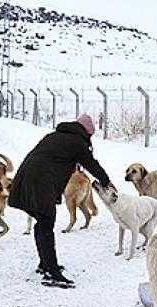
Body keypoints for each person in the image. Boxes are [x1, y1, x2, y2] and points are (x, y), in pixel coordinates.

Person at [9, 113, 112, 286]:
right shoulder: (77, 143)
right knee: (46, 222)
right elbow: (91, 164)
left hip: (26, 177)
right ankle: (52, 272)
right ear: (86, 132)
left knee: (42, 222)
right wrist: (106, 181)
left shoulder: (56, 136)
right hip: (40, 182)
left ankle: (45, 264)